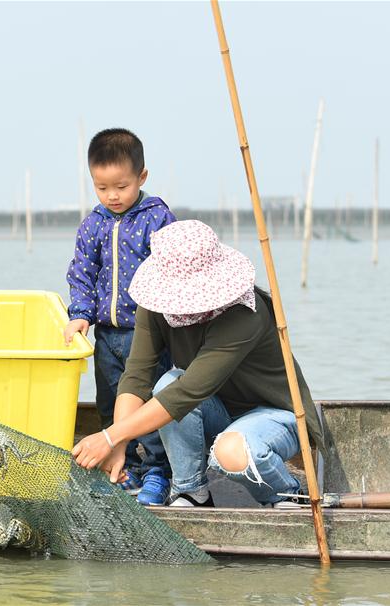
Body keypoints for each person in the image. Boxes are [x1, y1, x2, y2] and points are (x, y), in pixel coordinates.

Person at [72, 220, 326, 508]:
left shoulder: (244, 313)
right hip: (217, 412)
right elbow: (136, 376)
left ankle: (288, 494)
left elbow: (188, 392)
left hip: (275, 415)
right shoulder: (156, 304)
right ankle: (191, 490)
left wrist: (108, 436)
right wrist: (118, 444)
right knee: (166, 382)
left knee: (231, 450)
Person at [64, 128, 177, 506]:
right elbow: (82, 272)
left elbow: (173, 270)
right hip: (107, 336)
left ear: (141, 177)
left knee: (147, 405)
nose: (112, 196)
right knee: (110, 403)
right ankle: (123, 466)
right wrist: (80, 314)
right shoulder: (94, 223)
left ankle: (159, 471)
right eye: (102, 187)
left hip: (148, 335)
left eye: (121, 186)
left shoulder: (155, 217)